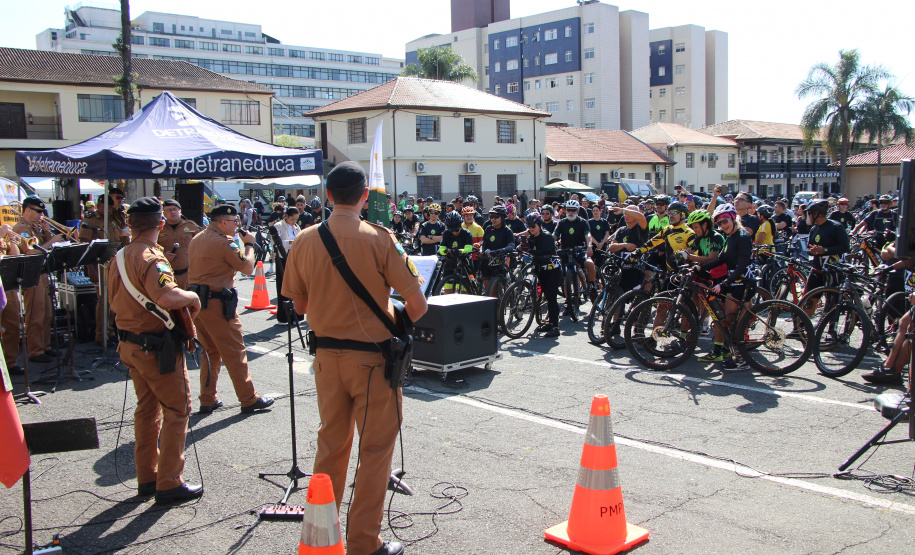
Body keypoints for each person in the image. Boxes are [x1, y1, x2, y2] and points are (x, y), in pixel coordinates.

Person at [282, 161, 427, 555]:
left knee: (331, 444)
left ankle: (322, 536)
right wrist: (391, 316)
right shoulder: (380, 238)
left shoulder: (304, 239)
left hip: (326, 358)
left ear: (328, 195)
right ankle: (364, 542)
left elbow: (299, 305)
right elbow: (418, 306)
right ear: (365, 195)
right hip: (372, 362)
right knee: (375, 452)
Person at [108, 197, 203, 504]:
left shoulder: (119, 256)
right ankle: (169, 482)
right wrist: (191, 297)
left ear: (130, 224)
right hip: (155, 346)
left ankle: (147, 476)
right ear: (161, 225)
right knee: (177, 410)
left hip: (130, 343)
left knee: (147, 410)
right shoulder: (152, 257)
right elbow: (166, 296)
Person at [188, 205, 274, 415]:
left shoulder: (197, 238)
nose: (238, 225)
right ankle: (248, 398)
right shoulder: (224, 242)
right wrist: (249, 245)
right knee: (235, 352)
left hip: (198, 303)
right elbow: (247, 267)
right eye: (235, 221)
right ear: (223, 222)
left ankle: (207, 398)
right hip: (217, 303)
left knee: (210, 352)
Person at [695, 203, 756, 369]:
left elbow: (741, 267)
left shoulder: (742, 237)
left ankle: (742, 360)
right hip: (734, 282)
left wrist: (723, 284)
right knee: (728, 321)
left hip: (743, 283)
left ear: (733, 218)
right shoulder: (731, 237)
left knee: (734, 323)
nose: (722, 225)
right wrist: (699, 268)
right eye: (719, 223)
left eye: (725, 221)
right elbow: (720, 259)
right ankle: (731, 354)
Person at [13, 197, 63, 363]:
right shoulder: (21, 228)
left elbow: (44, 246)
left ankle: (45, 346)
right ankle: (35, 350)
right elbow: (32, 252)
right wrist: (52, 240)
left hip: (42, 272)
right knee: (35, 314)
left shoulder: (34, 227)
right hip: (31, 274)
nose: (41, 215)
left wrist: (47, 232)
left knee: (47, 313)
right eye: (39, 211)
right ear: (27, 210)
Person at [78, 187, 130, 346]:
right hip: (98, 264)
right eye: (106, 207)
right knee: (103, 301)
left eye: (110, 207)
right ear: (99, 206)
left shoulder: (114, 218)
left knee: (113, 299)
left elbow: (121, 241)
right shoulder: (90, 221)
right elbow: (84, 246)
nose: (109, 209)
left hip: (114, 262)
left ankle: (111, 332)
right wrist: (90, 268)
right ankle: (101, 335)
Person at [802, 199, 850, 316]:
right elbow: (809, 248)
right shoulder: (814, 229)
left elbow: (845, 247)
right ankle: (801, 326)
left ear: (816, 213)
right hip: (817, 269)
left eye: (809, 213)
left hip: (833, 269)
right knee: (809, 300)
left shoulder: (836, 227)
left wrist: (825, 250)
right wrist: (812, 251)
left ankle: (831, 324)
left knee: (832, 303)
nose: (808, 216)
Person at [553, 199, 598, 303]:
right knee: (566, 279)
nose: (571, 212)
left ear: (578, 211)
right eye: (569, 210)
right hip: (565, 252)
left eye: (573, 210)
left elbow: (588, 235)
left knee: (590, 264)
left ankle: (592, 286)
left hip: (580, 251)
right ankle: (569, 302)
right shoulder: (562, 223)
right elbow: (554, 235)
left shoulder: (583, 222)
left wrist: (589, 246)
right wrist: (550, 242)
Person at [526, 213, 561, 337]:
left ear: (539, 225)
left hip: (552, 269)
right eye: (529, 227)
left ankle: (555, 327)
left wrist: (530, 251)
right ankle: (549, 323)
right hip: (540, 269)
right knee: (545, 295)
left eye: (533, 226)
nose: (531, 229)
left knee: (551, 298)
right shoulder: (532, 238)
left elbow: (543, 251)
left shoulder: (547, 236)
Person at [157, 199, 201, 290]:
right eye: (169, 210)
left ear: (180, 211)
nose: (172, 212)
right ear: (164, 213)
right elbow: (152, 248)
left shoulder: (191, 226)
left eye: (175, 209)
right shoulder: (159, 229)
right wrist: (163, 255)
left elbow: (202, 244)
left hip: (188, 275)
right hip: (167, 275)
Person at [0, 225, 23, 374]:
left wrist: (12, 242)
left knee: (13, 323)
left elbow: (15, 257)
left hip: (6, 283)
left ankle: (10, 363)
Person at [481, 205, 515, 294]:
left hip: (500, 261)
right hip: (487, 260)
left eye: (496, 217)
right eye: (491, 216)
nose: (493, 219)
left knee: (493, 293)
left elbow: (511, 246)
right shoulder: (488, 229)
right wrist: (482, 251)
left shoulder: (507, 231)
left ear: (502, 218)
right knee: (487, 289)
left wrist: (498, 251)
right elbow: (484, 243)